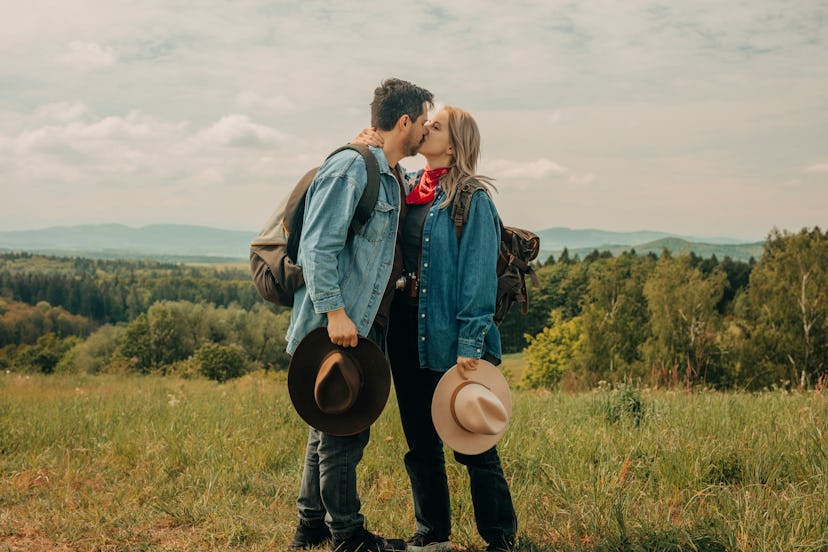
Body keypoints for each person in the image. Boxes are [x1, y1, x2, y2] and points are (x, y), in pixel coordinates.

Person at [354, 105, 518, 552]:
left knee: (472, 443)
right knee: (420, 441)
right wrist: (366, 145)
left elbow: (478, 277)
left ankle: (499, 538)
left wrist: (470, 342)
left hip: (453, 335)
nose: (425, 129)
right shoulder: (405, 187)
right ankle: (432, 533)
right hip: (405, 333)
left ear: (455, 143)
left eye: (436, 126)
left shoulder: (473, 199)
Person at [286, 78, 433, 552]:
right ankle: (347, 536)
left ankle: (310, 526)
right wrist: (335, 313)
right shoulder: (352, 168)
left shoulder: (387, 172)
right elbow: (316, 247)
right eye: (423, 123)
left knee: (325, 422)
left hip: (364, 323)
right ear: (404, 121)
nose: (426, 132)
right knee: (345, 433)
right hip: (343, 324)